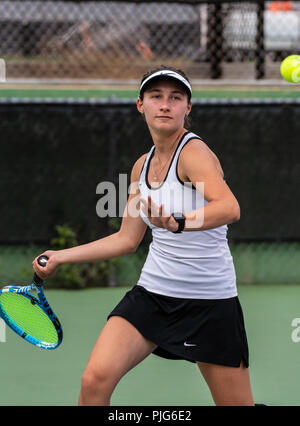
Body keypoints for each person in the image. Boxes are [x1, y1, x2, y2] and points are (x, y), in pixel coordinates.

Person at [33, 65, 255, 406]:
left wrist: (178, 222)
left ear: (187, 108)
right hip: (153, 295)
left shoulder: (193, 153)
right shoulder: (142, 165)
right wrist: (63, 256)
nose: (165, 105)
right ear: (141, 105)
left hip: (210, 302)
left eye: (175, 98)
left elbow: (229, 207)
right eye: (156, 97)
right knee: (94, 380)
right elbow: (126, 239)